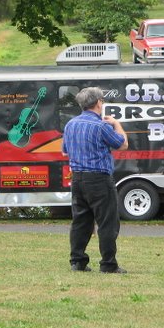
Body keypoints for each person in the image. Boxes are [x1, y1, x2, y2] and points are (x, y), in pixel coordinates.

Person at [62, 87, 129, 273]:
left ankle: (78, 261)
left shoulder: (70, 125)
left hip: (77, 178)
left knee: (81, 221)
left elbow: (65, 150)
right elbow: (123, 144)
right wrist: (116, 124)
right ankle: (108, 264)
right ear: (98, 102)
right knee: (107, 222)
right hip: (99, 178)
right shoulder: (101, 126)